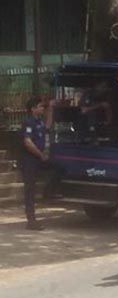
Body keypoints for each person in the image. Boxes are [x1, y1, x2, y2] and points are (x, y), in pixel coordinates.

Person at [18, 97, 54, 230]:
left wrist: (50, 109)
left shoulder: (39, 121)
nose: (42, 108)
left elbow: (48, 127)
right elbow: (27, 142)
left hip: (38, 158)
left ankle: (49, 192)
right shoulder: (28, 122)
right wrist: (40, 154)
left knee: (58, 168)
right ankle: (31, 220)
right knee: (30, 189)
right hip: (29, 160)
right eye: (40, 106)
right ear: (33, 109)